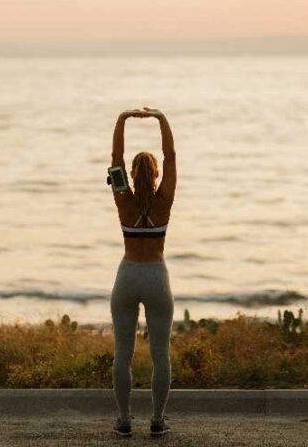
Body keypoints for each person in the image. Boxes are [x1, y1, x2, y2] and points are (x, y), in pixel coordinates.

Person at [108, 106, 177, 438]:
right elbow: (171, 154)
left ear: (132, 174)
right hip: (155, 276)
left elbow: (115, 155)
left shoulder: (123, 199)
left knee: (123, 353)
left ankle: (124, 419)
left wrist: (122, 120)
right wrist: (161, 119)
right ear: (157, 174)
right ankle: (157, 420)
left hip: (128, 275)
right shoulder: (165, 199)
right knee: (160, 355)